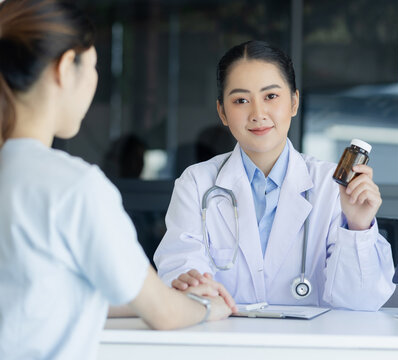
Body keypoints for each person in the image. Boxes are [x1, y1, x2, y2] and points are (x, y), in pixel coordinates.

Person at [0, 1, 234, 359]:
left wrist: (168, 294)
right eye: (94, 66)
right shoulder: (74, 186)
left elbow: (49, 294)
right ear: (65, 67)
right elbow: (164, 315)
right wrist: (208, 308)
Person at [154, 40, 396, 310]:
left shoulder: (331, 186)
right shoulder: (197, 184)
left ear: (294, 102)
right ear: (222, 111)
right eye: (241, 100)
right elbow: (181, 272)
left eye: (271, 96)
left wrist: (358, 226)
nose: (258, 114)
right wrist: (191, 285)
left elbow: (361, 304)